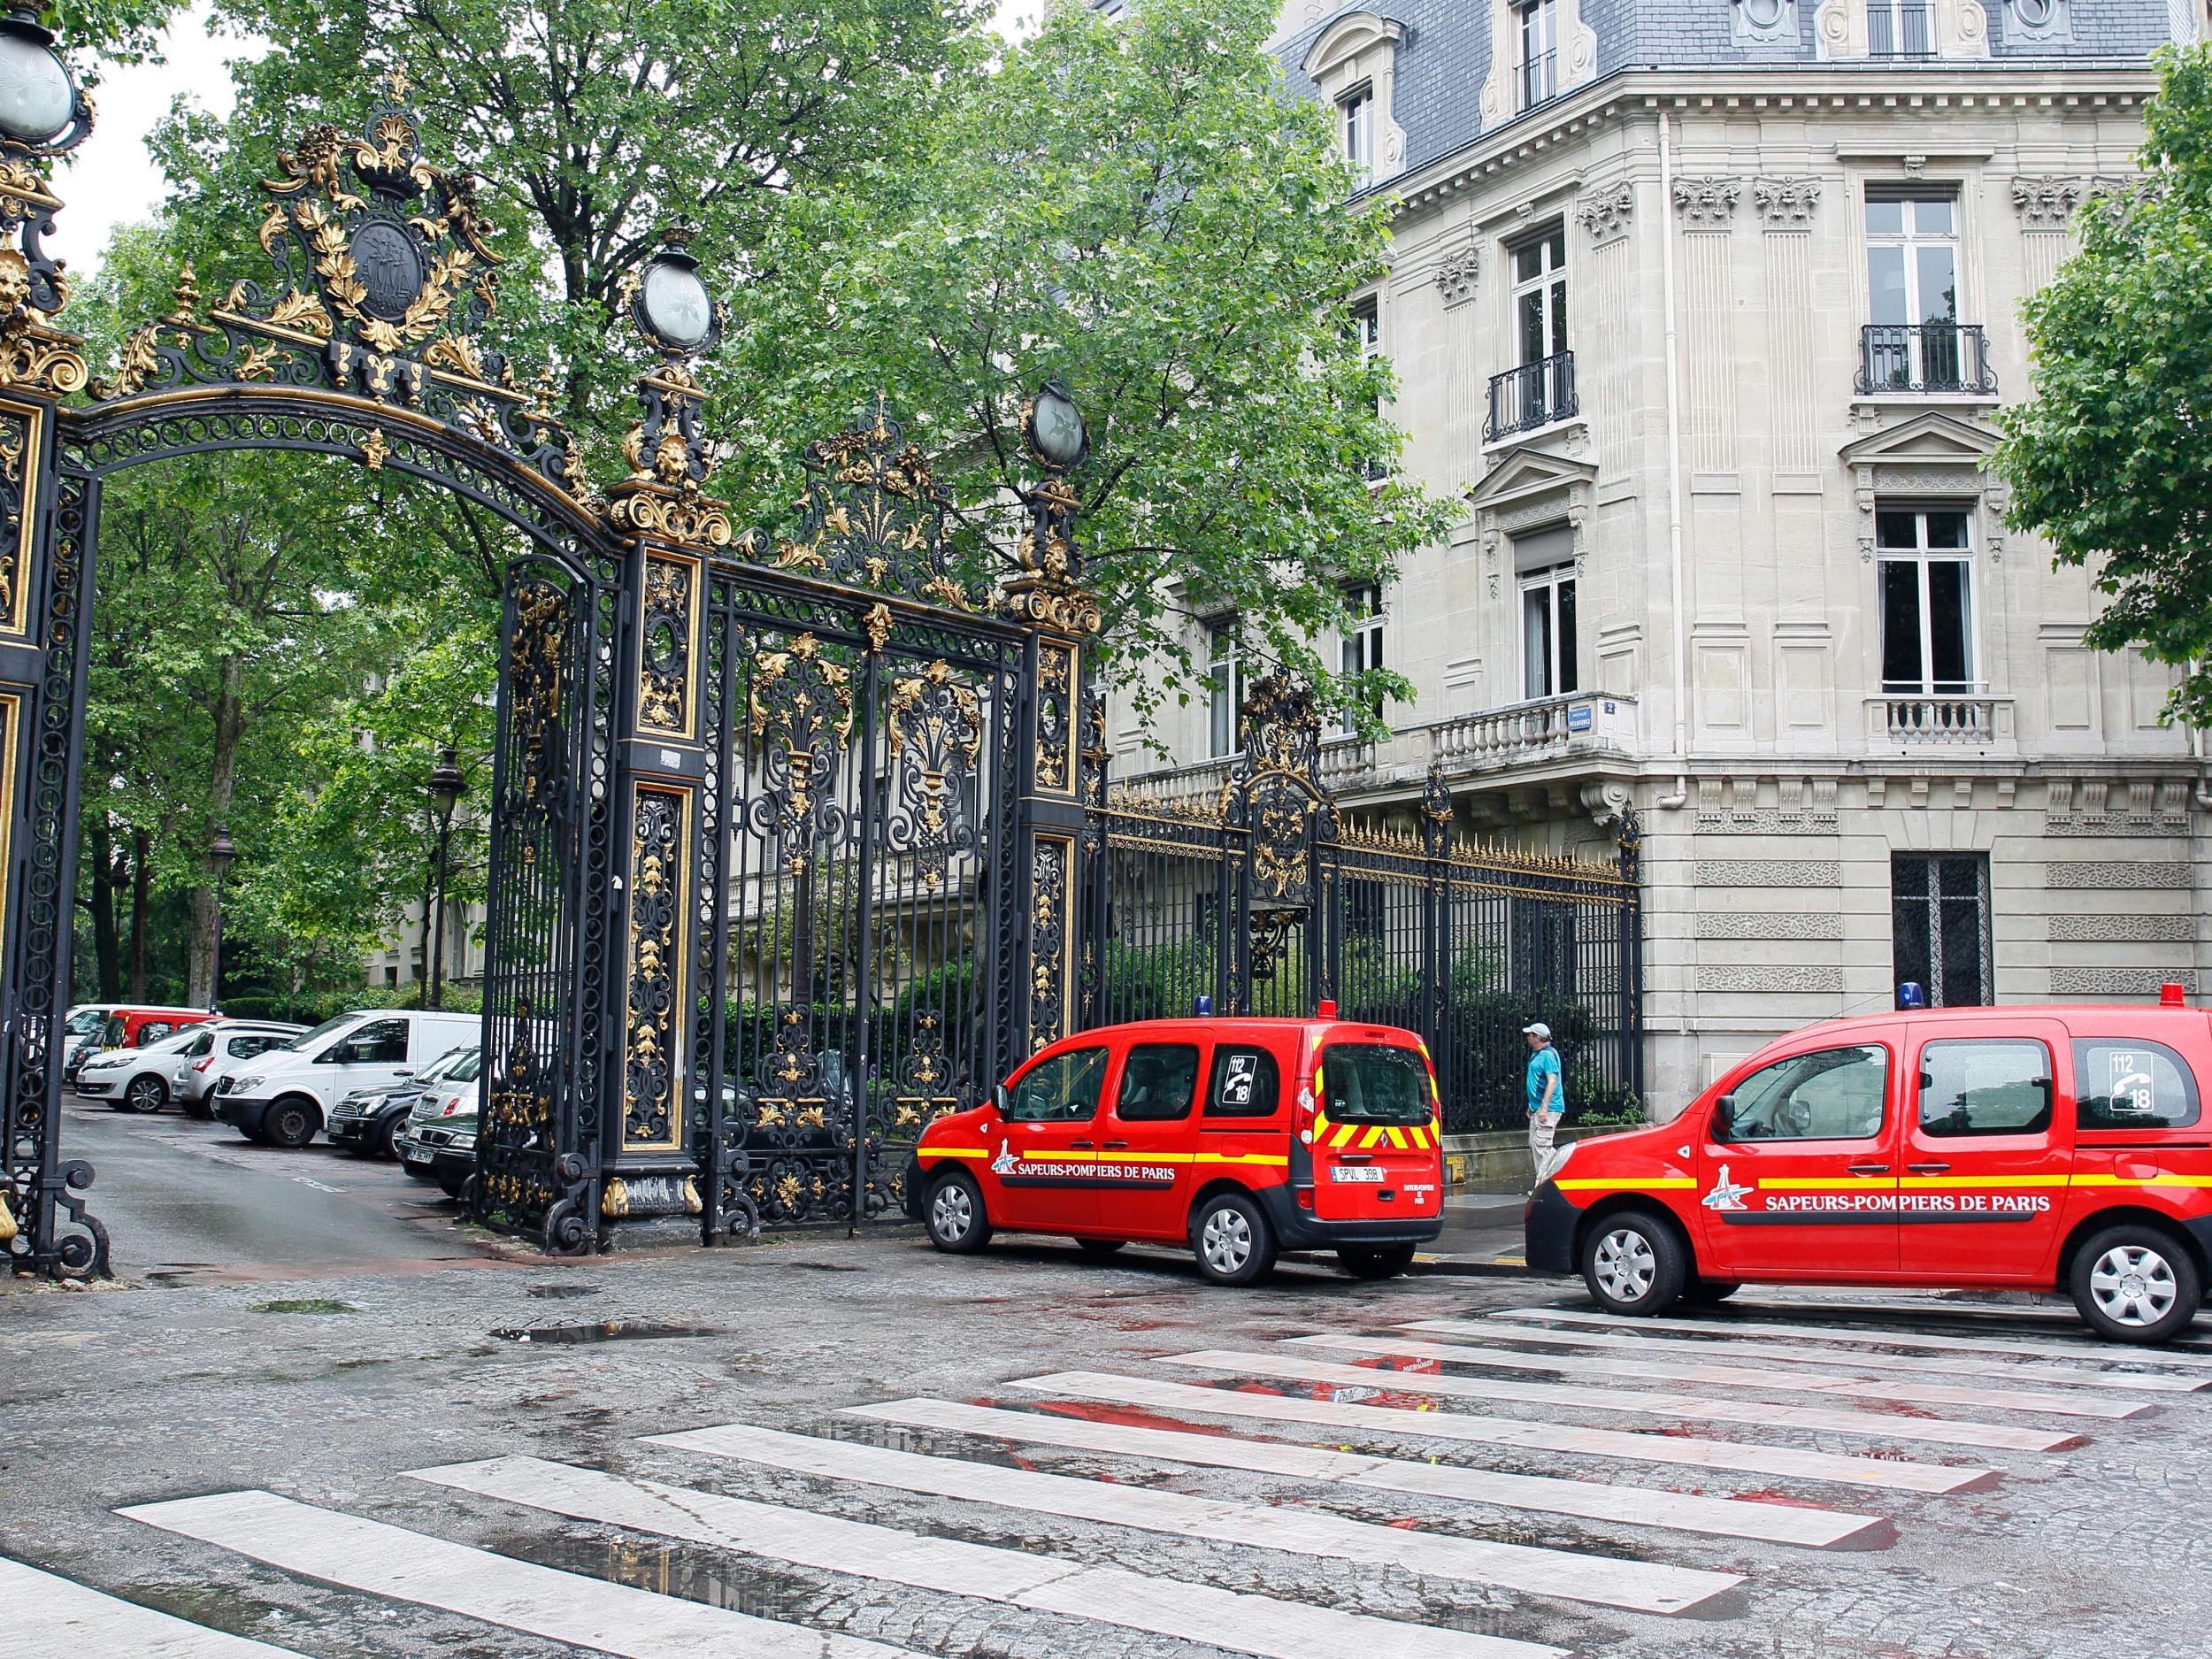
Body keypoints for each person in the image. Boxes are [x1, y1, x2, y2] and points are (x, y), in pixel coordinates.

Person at [1525, 1021, 1563, 1183]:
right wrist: (1532, 1106)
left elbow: (1552, 1081)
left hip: (1548, 1109)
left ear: (1538, 1038)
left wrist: (1544, 1107)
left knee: (1542, 1146)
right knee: (1536, 1144)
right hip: (1538, 1108)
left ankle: (1545, 1185)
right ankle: (1547, 1182)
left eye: (1530, 1035)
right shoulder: (1539, 1054)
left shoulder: (1547, 1055)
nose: (1527, 1037)